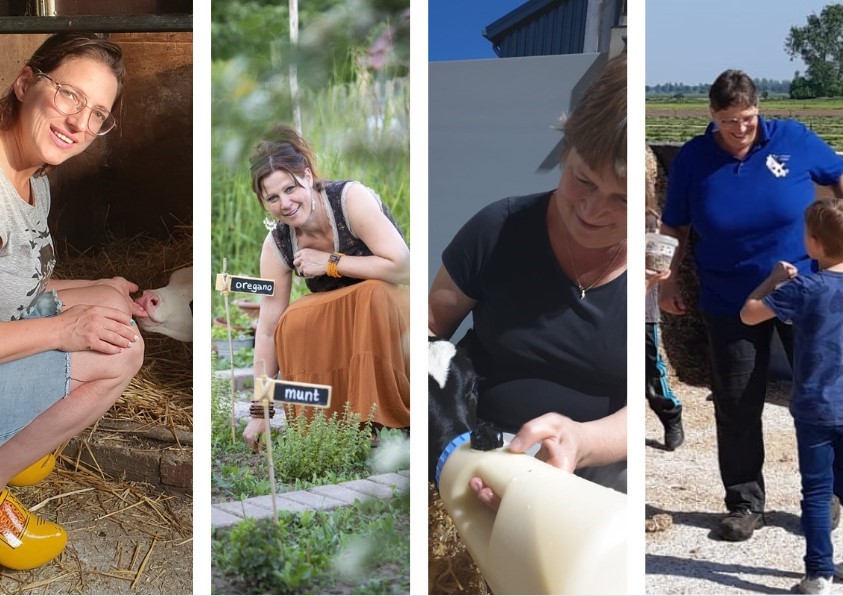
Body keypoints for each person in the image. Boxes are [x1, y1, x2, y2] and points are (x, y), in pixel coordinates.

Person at [428, 53, 627, 510]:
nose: (593, 211)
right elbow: (427, 330)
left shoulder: (653, 270)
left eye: (622, 199)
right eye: (583, 179)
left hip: (597, 461)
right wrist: (451, 445)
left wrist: (579, 441)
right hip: (480, 445)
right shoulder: (499, 228)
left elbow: (643, 411)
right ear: (565, 147)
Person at [659, 69, 843, 541]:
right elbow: (675, 227)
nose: (740, 129)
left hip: (801, 292)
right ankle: (744, 503)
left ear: (758, 110)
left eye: (747, 118)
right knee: (737, 403)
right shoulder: (694, 160)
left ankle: (829, 496)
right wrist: (666, 282)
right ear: (712, 115)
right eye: (728, 120)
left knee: (824, 398)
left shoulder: (794, 140)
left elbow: (839, 179)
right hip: (728, 297)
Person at [0, 33, 145, 570]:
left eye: (98, 112)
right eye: (69, 95)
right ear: (24, 83)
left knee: (111, 302)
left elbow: (16, 286)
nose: (79, 122)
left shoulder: (34, 176)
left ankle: (14, 446)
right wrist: (65, 330)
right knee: (121, 351)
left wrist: (98, 288)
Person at [243, 125, 410, 449]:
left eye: (291, 188)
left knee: (371, 294)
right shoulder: (277, 243)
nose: (286, 203)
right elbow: (267, 328)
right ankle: (330, 421)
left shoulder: (350, 200)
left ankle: (378, 415)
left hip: (394, 311)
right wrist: (260, 408)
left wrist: (330, 262)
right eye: (273, 198)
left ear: (307, 175)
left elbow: (404, 266)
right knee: (293, 320)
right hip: (346, 327)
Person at [740, 198, 843, 594]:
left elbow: (749, 314)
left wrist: (772, 279)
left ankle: (819, 573)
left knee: (817, 491)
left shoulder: (804, 287)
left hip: (816, 407)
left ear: (813, 243)